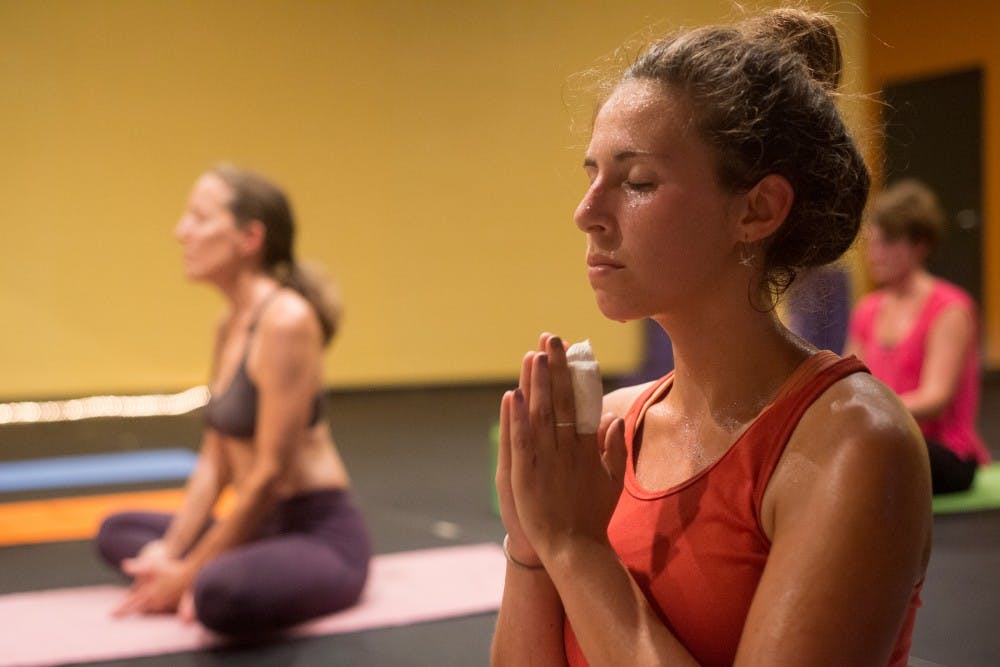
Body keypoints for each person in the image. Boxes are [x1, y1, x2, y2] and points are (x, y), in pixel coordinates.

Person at [492, 8, 931, 667]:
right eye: (592, 176)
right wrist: (529, 545)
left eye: (636, 182)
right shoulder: (610, 429)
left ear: (756, 209)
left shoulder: (855, 443)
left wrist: (575, 547)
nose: (587, 214)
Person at [95, 164, 371, 635]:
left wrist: (189, 574)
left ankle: (220, 575)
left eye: (199, 218)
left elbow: (268, 476)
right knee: (116, 531)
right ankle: (214, 565)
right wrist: (172, 552)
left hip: (316, 534)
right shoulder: (227, 325)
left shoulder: (286, 321)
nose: (180, 232)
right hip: (258, 529)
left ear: (249, 239)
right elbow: (214, 462)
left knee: (217, 593)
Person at [845, 179, 991, 494]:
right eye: (873, 243)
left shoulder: (950, 309)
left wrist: (863, 414)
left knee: (871, 456)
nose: (875, 255)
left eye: (886, 244)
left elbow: (934, 398)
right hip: (886, 438)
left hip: (944, 452)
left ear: (920, 245)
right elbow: (850, 386)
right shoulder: (868, 310)